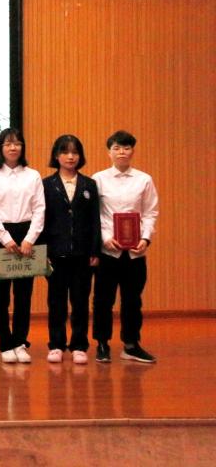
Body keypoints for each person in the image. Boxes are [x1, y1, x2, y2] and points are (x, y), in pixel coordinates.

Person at [92, 130, 159, 364]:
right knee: (103, 300)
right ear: (109, 152)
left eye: (126, 148)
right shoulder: (98, 179)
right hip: (108, 250)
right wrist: (105, 238)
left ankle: (131, 345)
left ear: (133, 151)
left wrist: (145, 238)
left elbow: (150, 212)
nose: (122, 152)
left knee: (132, 300)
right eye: (117, 148)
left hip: (135, 252)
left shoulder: (144, 180)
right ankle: (102, 343)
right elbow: (95, 216)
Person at [0, 128, 45, 364]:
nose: (13, 147)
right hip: (2, 236)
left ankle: (20, 341)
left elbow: (40, 208)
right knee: (1, 295)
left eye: (17, 143)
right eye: (8, 144)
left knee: (24, 295)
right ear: (1, 148)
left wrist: (30, 238)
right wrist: (5, 238)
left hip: (28, 235)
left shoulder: (33, 175)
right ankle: (5, 342)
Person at [42, 134, 100, 365]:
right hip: (55, 253)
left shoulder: (89, 184)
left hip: (83, 254)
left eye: (75, 152)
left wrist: (95, 250)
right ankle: (56, 344)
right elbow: (42, 220)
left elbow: (95, 220)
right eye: (65, 152)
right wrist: (43, 251)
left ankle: (79, 345)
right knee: (56, 301)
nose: (70, 156)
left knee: (80, 301)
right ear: (56, 156)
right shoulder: (46, 185)